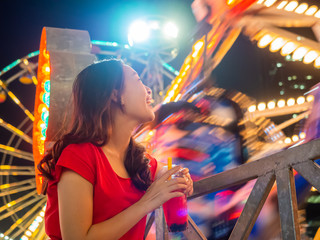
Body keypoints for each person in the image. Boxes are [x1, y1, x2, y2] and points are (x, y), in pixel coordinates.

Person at [38, 59, 193, 240]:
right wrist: (148, 202)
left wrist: (182, 177)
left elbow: (167, 172)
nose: (148, 90)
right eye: (138, 80)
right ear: (116, 95)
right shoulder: (79, 156)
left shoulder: (139, 160)